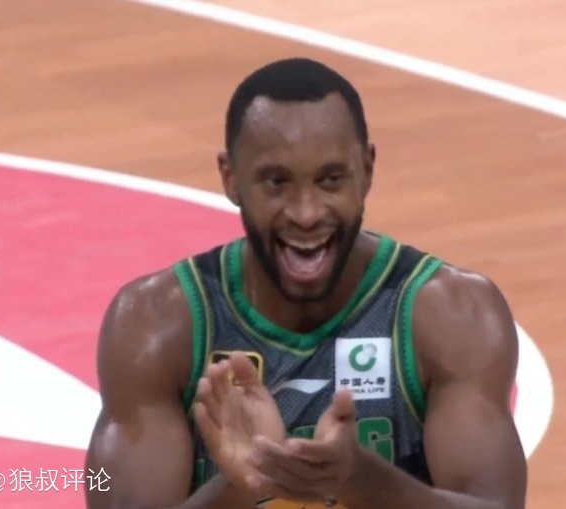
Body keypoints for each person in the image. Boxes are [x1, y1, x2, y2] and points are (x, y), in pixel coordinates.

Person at [84, 57, 527, 509]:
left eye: (330, 180)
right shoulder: (155, 325)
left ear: (367, 170)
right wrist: (238, 487)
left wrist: (361, 477)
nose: (306, 213)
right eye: (276, 182)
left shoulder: (452, 315)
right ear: (231, 179)